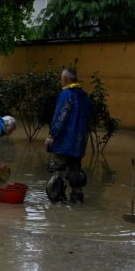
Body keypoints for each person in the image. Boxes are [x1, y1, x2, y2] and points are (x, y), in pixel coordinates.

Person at [44, 67, 92, 203]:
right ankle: (77, 199)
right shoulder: (85, 96)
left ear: (65, 79)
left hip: (65, 141)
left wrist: (52, 135)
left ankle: (57, 200)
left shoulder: (66, 95)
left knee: (58, 170)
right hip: (79, 143)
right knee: (75, 170)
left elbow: (60, 116)